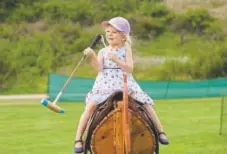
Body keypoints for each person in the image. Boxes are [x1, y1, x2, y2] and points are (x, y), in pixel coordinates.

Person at [74, 16, 169, 153]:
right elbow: (99, 68)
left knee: (146, 104)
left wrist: (117, 60)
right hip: (105, 83)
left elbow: (129, 68)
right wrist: (92, 56)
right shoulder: (103, 51)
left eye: (114, 32)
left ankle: (160, 131)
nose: (109, 34)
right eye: (107, 32)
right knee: (90, 106)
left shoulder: (126, 49)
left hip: (125, 81)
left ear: (123, 36)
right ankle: (78, 139)